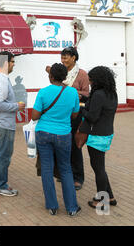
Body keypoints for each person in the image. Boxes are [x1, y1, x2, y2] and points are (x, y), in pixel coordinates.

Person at [32, 63, 82, 216]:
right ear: (65, 77)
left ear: (50, 76)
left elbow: (34, 116)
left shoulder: (43, 92)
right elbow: (75, 115)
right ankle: (72, 207)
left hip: (44, 133)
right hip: (63, 134)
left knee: (47, 168)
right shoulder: (73, 93)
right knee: (65, 169)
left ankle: (52, 206)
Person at [47, 46, 89, 190]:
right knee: (62, 144)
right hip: (63, 112)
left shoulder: (82, 74)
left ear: (74, 58)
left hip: (76, 113)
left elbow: (86, 93)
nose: (63, 60)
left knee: (74, 145)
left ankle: (78, 177)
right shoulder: (61, 72)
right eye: (62, 57)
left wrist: (76, 93)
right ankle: (64, 173)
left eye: (66, 57)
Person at [79, 66, 118, 209]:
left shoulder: (98, 94)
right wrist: (84, 98)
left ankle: (101, 200)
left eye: (91, 80)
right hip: (107, 133)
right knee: (100, 167)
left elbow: (92, 116)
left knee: (98, 169)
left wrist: (81, 107)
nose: (89, 82)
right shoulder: (111, 93)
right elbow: (98, 107)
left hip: (97, 135)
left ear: (97, 80)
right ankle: (110, 197)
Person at [0, 51, 25, 197]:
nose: (14, 64)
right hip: (3, 124)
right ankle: (0, 186)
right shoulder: (2, 80)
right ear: (5, 63)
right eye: (12, 61)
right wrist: (16, 106)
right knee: (3, 155)